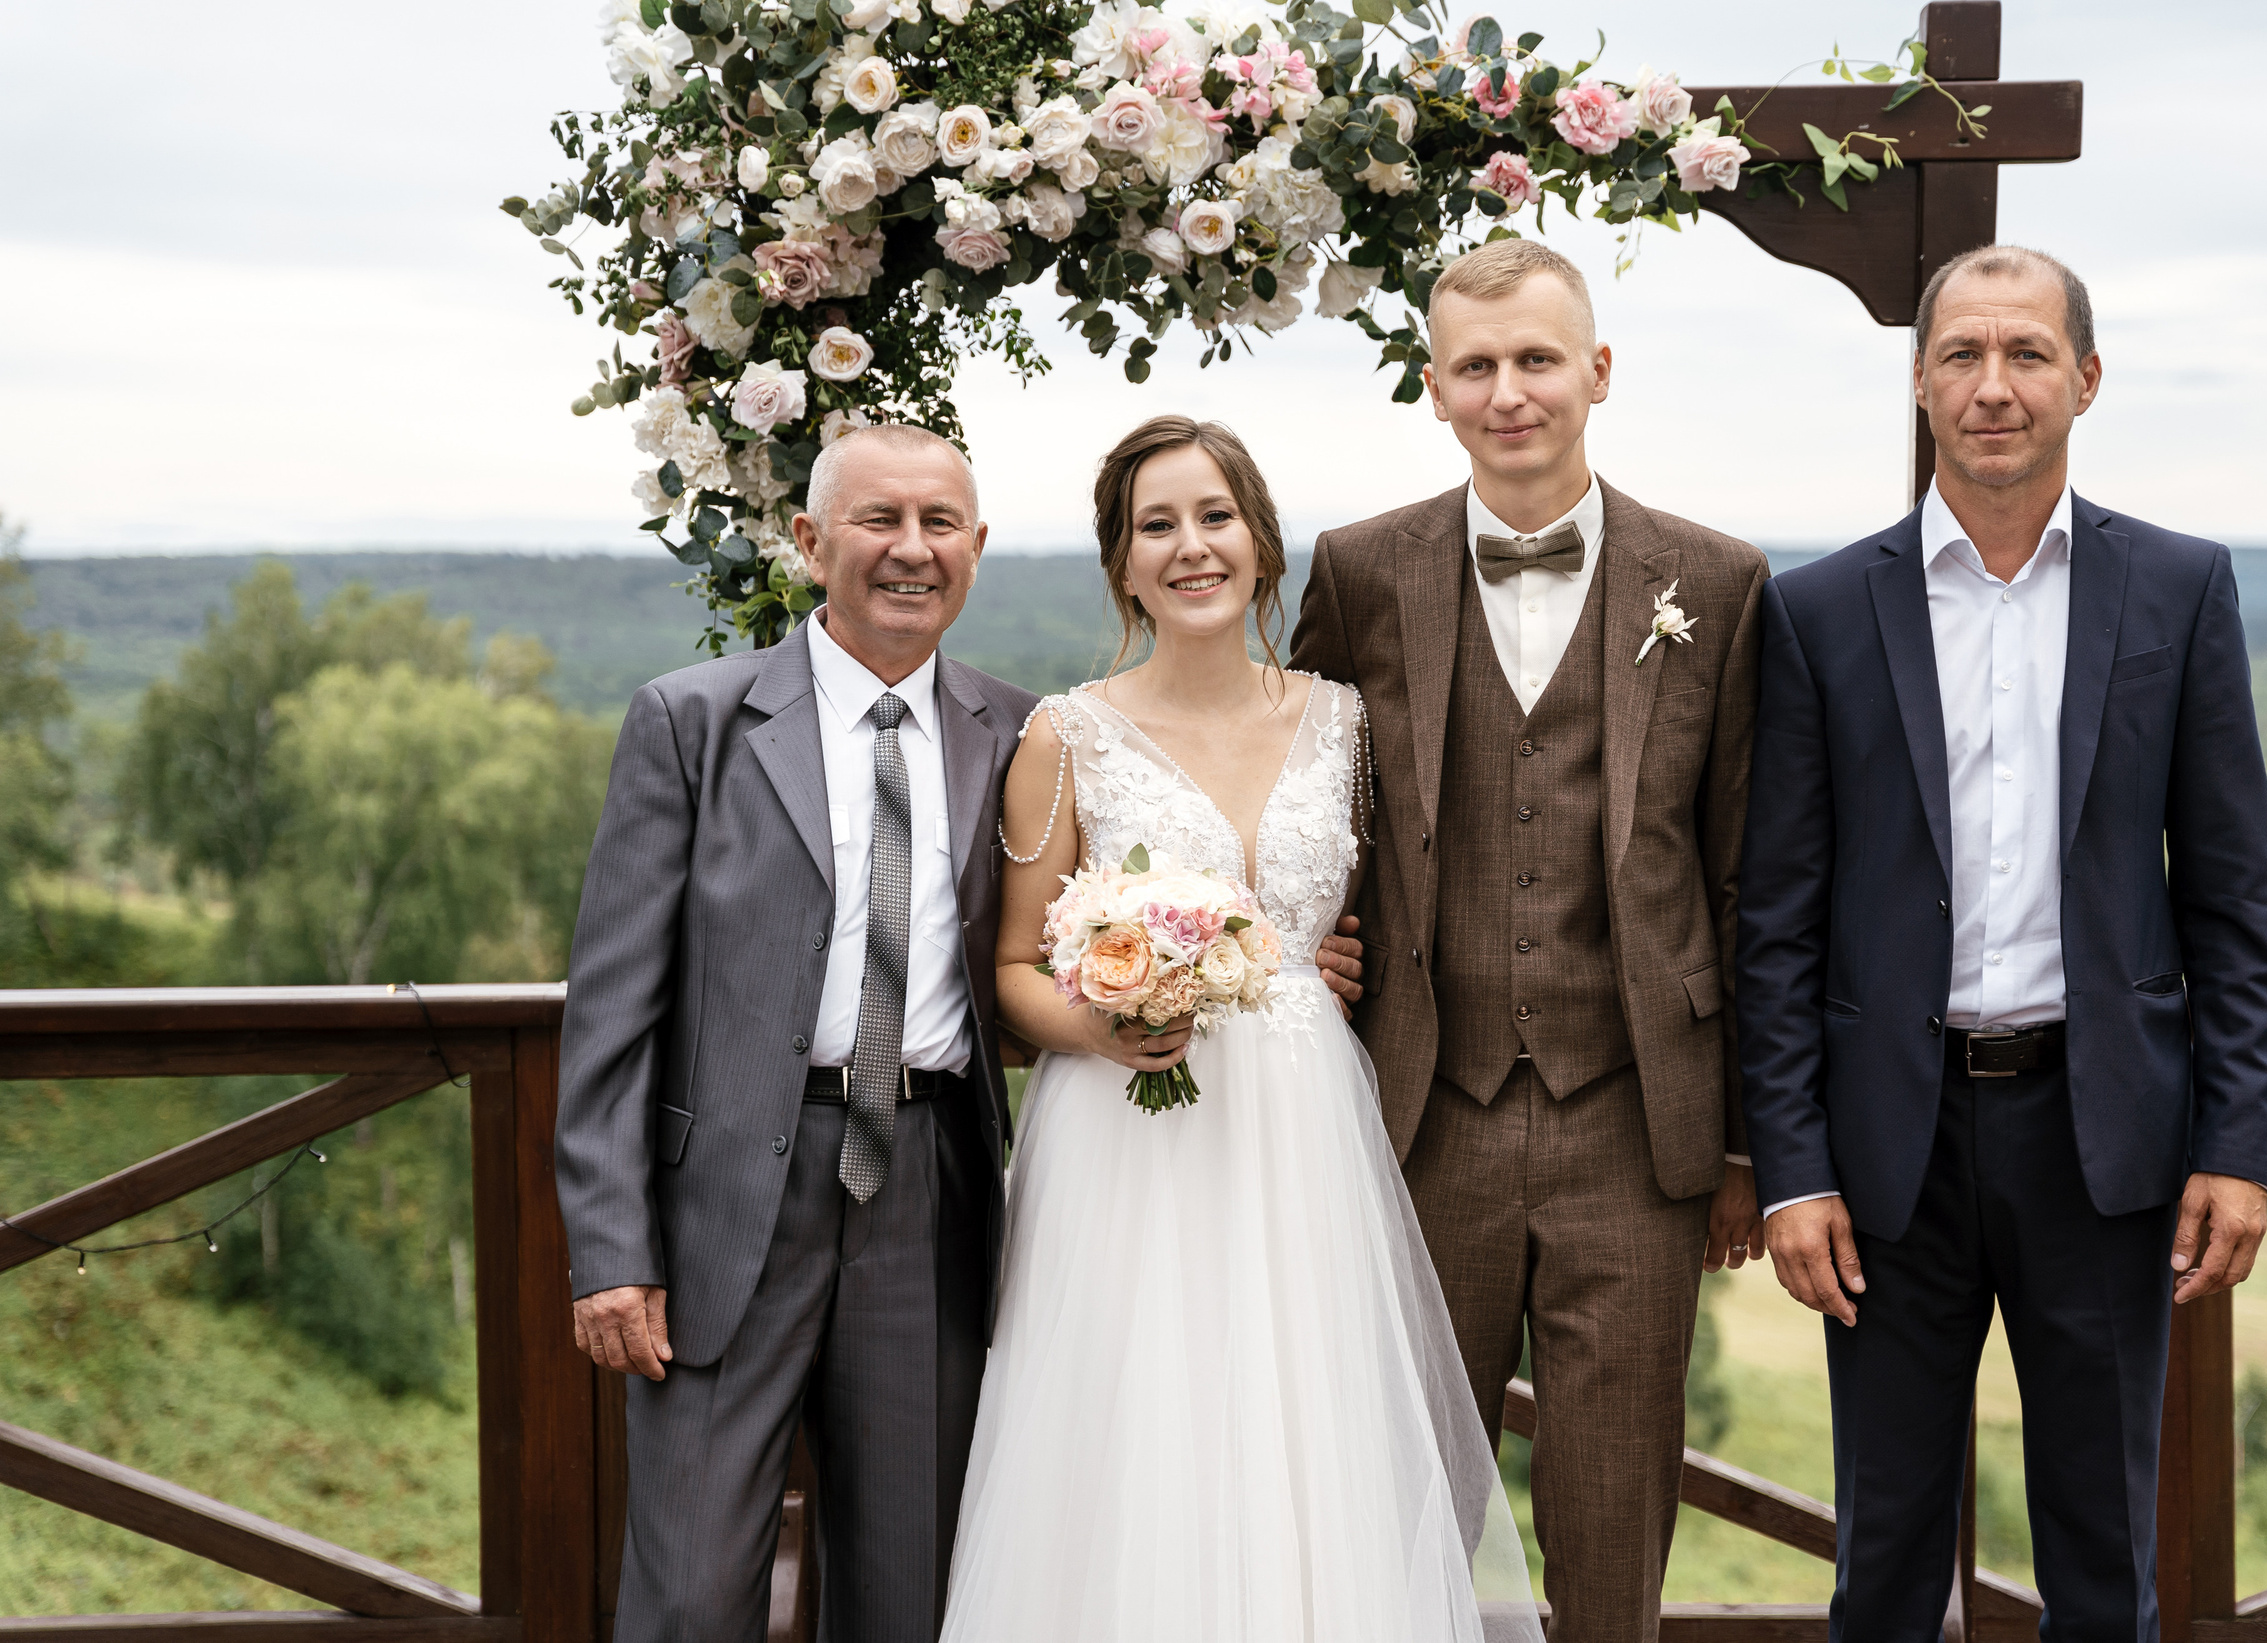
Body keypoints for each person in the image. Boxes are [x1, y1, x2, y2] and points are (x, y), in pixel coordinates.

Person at [1736, 245, 2267, 1638]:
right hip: (1885, 1154)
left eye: (2028, 353)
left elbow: (2231, 897)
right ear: (1920, 381)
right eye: (1964, 355)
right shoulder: (1813, 611)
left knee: (2108, 1568)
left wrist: (2239, 1140)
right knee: (1886, 1561)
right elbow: (1779, 920)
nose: (1995, 385)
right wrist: (1791, 1165)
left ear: (2085, 380)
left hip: (2105, 1141)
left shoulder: (2177, 588)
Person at [941, 415, 1538, 1643]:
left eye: (1214, 518)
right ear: (1121, 563)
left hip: (1308, 1124)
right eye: (1155, 526)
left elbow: (1386, 910)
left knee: (1308, 1428)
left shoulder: (1347, 723)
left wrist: (1336, 963)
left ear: (1262, 543)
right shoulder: (1064, 736)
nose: (1190, 547)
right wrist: (1104, 1024)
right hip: (1128, 1137)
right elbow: (1009, 966)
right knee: (1137, 1431)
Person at [1289, 237, 1770, 1643]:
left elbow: (1746, 873)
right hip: (1418, 1110)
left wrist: (1744, 1142)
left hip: (1637, 1118)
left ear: (1598, 372)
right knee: (1402, 1503)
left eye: (1539, 359)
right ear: (1435, 387)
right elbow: (1294, 789)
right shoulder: (1360, 570)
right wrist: (1291, 933)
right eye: (1480, 366)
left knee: (1615, 1515)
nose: (1512, 391)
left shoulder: (1720, 580)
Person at [553, 425, 1041, 1643]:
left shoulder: (1028, 737)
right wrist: (610, 1248)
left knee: (908, 1589)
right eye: (879, 521)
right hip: (721, 1208)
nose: (910, 550)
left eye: (940, 524)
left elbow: (1065, 944)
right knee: (689, 1593)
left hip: (931, 1193)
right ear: (812, 542)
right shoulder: (690, 722)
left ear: (976, 548)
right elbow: (613, 1012)